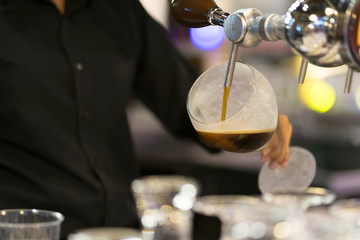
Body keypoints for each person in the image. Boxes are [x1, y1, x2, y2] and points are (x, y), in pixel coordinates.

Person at [0, 0, 292, 239]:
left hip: (120, 230)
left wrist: (257, 119)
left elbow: (187, 105)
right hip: (28, 229)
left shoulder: (118, 10)